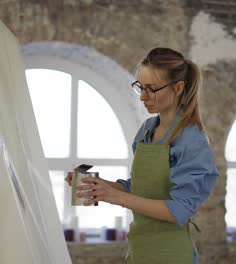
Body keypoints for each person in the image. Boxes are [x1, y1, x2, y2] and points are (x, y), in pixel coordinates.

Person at [65, 47, 219, 264]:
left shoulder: (191, 140)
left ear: (178, 88)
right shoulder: (147, 130)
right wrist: (98, 186)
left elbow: (179, 209)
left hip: (171, 255)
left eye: (152, 89)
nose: (143, 97)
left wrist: (115, 197)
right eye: (140, 87)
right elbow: (138, 188)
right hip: (139, 251)